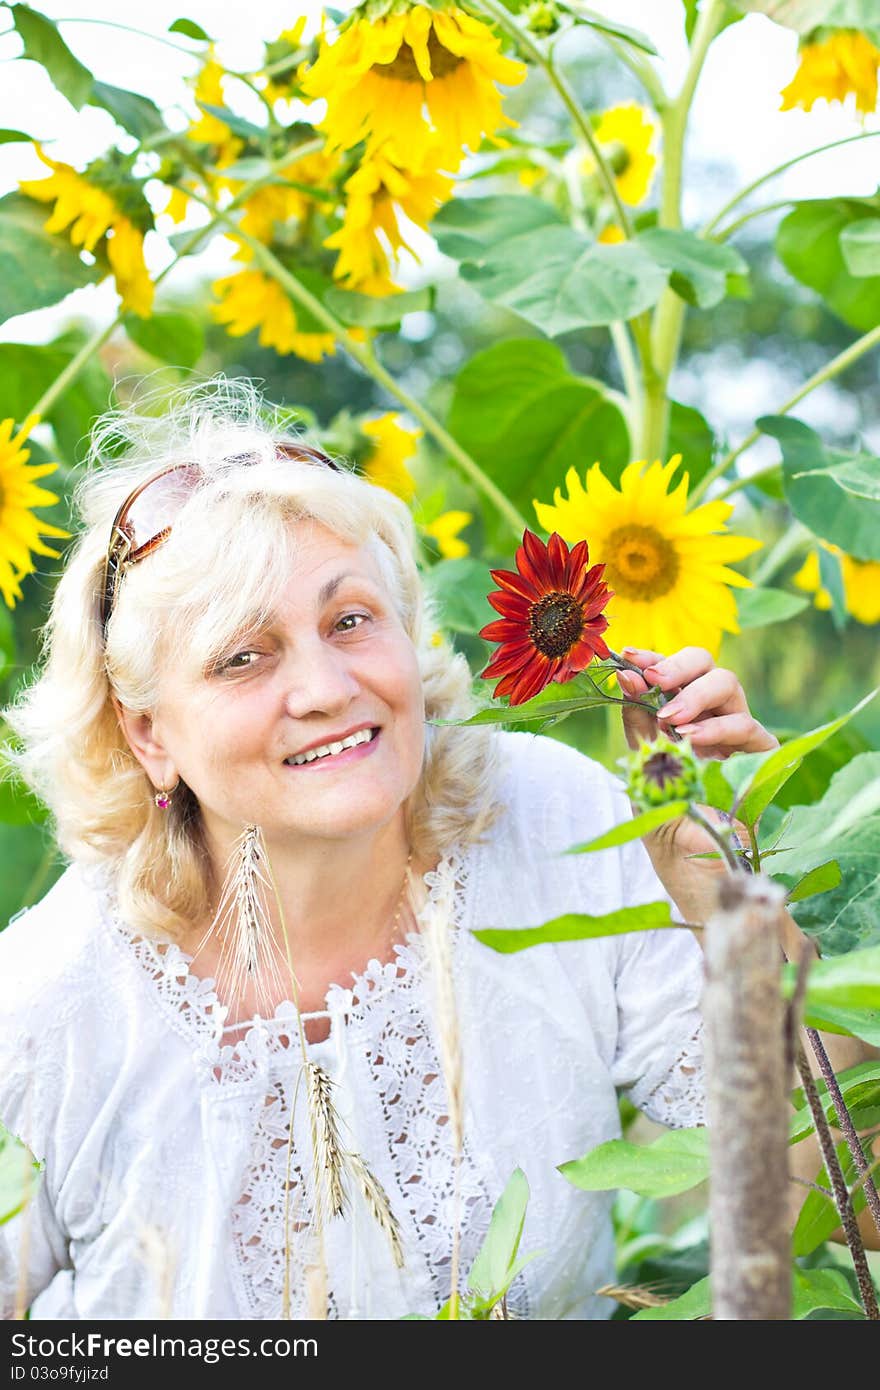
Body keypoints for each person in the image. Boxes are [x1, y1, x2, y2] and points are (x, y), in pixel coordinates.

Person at [0, 381, 868, 1322]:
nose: (327, 687)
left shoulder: (557, 823)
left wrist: (727, 903)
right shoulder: (52, 1002)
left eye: (350, 620)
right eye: (242, 657)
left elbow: (834, 1207)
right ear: (146, 735)